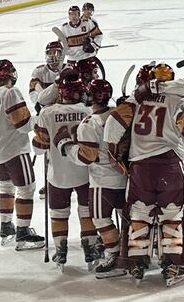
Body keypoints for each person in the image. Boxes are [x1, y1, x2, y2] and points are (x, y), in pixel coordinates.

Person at [104, 63, 184, 286]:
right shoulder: (178, 99)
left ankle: (136, 262)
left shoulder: (136, 99)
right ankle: (172, 264)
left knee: (140, 214)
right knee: (171, 215)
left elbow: (112, 124)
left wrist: (115, 154)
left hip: (140, 168)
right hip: (170, 167)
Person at [59, 78, 130, 277]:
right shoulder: (121, 115)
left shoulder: (89, 123)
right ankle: (134, 255)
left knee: (100, 219)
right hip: (126, 176)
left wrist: (67, 147)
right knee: (128, 218)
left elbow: (87, 156)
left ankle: (116, 256)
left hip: (102, 181)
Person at [32, 70, 98, 270]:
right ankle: (91, 248)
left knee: (59, 212)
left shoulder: (47, 113)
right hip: (85, 172)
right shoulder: (87, 112)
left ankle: (60, 250)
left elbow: (38, 149)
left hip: (57, 174)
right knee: (86, 211)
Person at [0, 60, 45, 250]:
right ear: (12, 75)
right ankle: (23, 233)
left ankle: (6, 227)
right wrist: (42, 117)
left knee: (6, 186)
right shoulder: (11, 92)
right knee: (27, 188)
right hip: (14, 150)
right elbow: (24, 124)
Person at [58, 5, 103, 82]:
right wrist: (66, 52)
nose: (73, 17)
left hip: (87, 58)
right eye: (71, 14)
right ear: (68, 16)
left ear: (79, 15)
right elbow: (61, 44)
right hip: (72, 60)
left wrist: (93, 46)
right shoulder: (64, 28)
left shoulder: (87, 23)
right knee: (72, 84)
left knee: (90, 82)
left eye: (75, 14)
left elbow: (99, 35)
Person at [29, 41, 63, 112]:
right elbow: (33, 93)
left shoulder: (68, 69)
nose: (52, 56)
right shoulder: (39, 71)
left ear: (61, 54)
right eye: (50, 53)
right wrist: (40, 102)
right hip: (46, 109)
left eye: (55, 53)